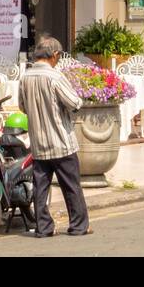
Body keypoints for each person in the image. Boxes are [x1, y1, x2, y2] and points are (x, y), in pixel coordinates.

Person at [17, 35, 90, 238]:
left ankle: (44, 227)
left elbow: (22, 106)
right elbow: (74, 102)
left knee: (41, 189)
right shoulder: (55, 77)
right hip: (62, 142)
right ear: (54, 55)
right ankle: (78, 226)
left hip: (39, 144)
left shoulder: (25, 77)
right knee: (71, 186)